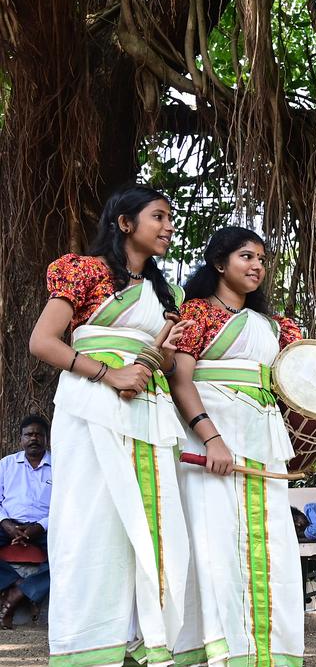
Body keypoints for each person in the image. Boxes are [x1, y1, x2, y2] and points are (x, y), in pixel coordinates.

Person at [28, 185, 192, 666]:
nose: (167, 227)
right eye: (158, 217)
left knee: (151, 524)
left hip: (148, 410)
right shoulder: (84, 271)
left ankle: (142, 644)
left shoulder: (168, 292)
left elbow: (159, 361)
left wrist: (156, 357)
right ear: (125, 223)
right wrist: (108, 372)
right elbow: (43, 341)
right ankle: (87, 647)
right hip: (92, 407)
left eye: (170, 219)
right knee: (92, 524)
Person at [168, 226, 305, 665]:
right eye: (247, 256)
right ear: (219, 263)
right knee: (214, 546)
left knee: (273, 546)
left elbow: (306, 377)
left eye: (262, 259)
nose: (257, 266)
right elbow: (180, 381)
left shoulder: (275, 326)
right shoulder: (195, 314)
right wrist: (212, 439)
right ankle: (222, 652)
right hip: (211, 442)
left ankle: (269, 653)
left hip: (262, 439)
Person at [0, 414, 53, 628]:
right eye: (28, 434)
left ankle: (18, 593)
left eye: (38, 434)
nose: (34, 438)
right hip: (7, 525)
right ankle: (16, 584)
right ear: (21, 439)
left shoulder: (61, 466)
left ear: (46, 438)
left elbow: (68, 505)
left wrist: (41, 526)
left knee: (72, 555)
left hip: (48, 526)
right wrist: (6, 524)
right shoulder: (6, 464)